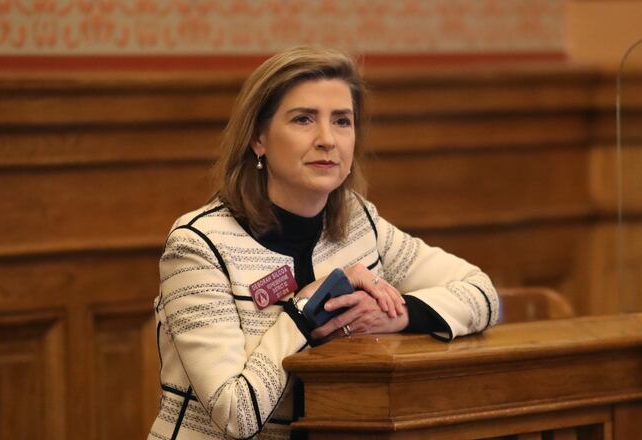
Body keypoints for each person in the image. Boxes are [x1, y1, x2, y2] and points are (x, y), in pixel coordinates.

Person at [149, 46, 498, 440]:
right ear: (257, 138)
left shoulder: (359, 223)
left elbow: (483, 295)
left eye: (342, 121)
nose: (328, 140)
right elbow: (235, 415)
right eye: (303, 119)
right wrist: (305, 311)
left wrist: (395, 315)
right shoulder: (198, 246)